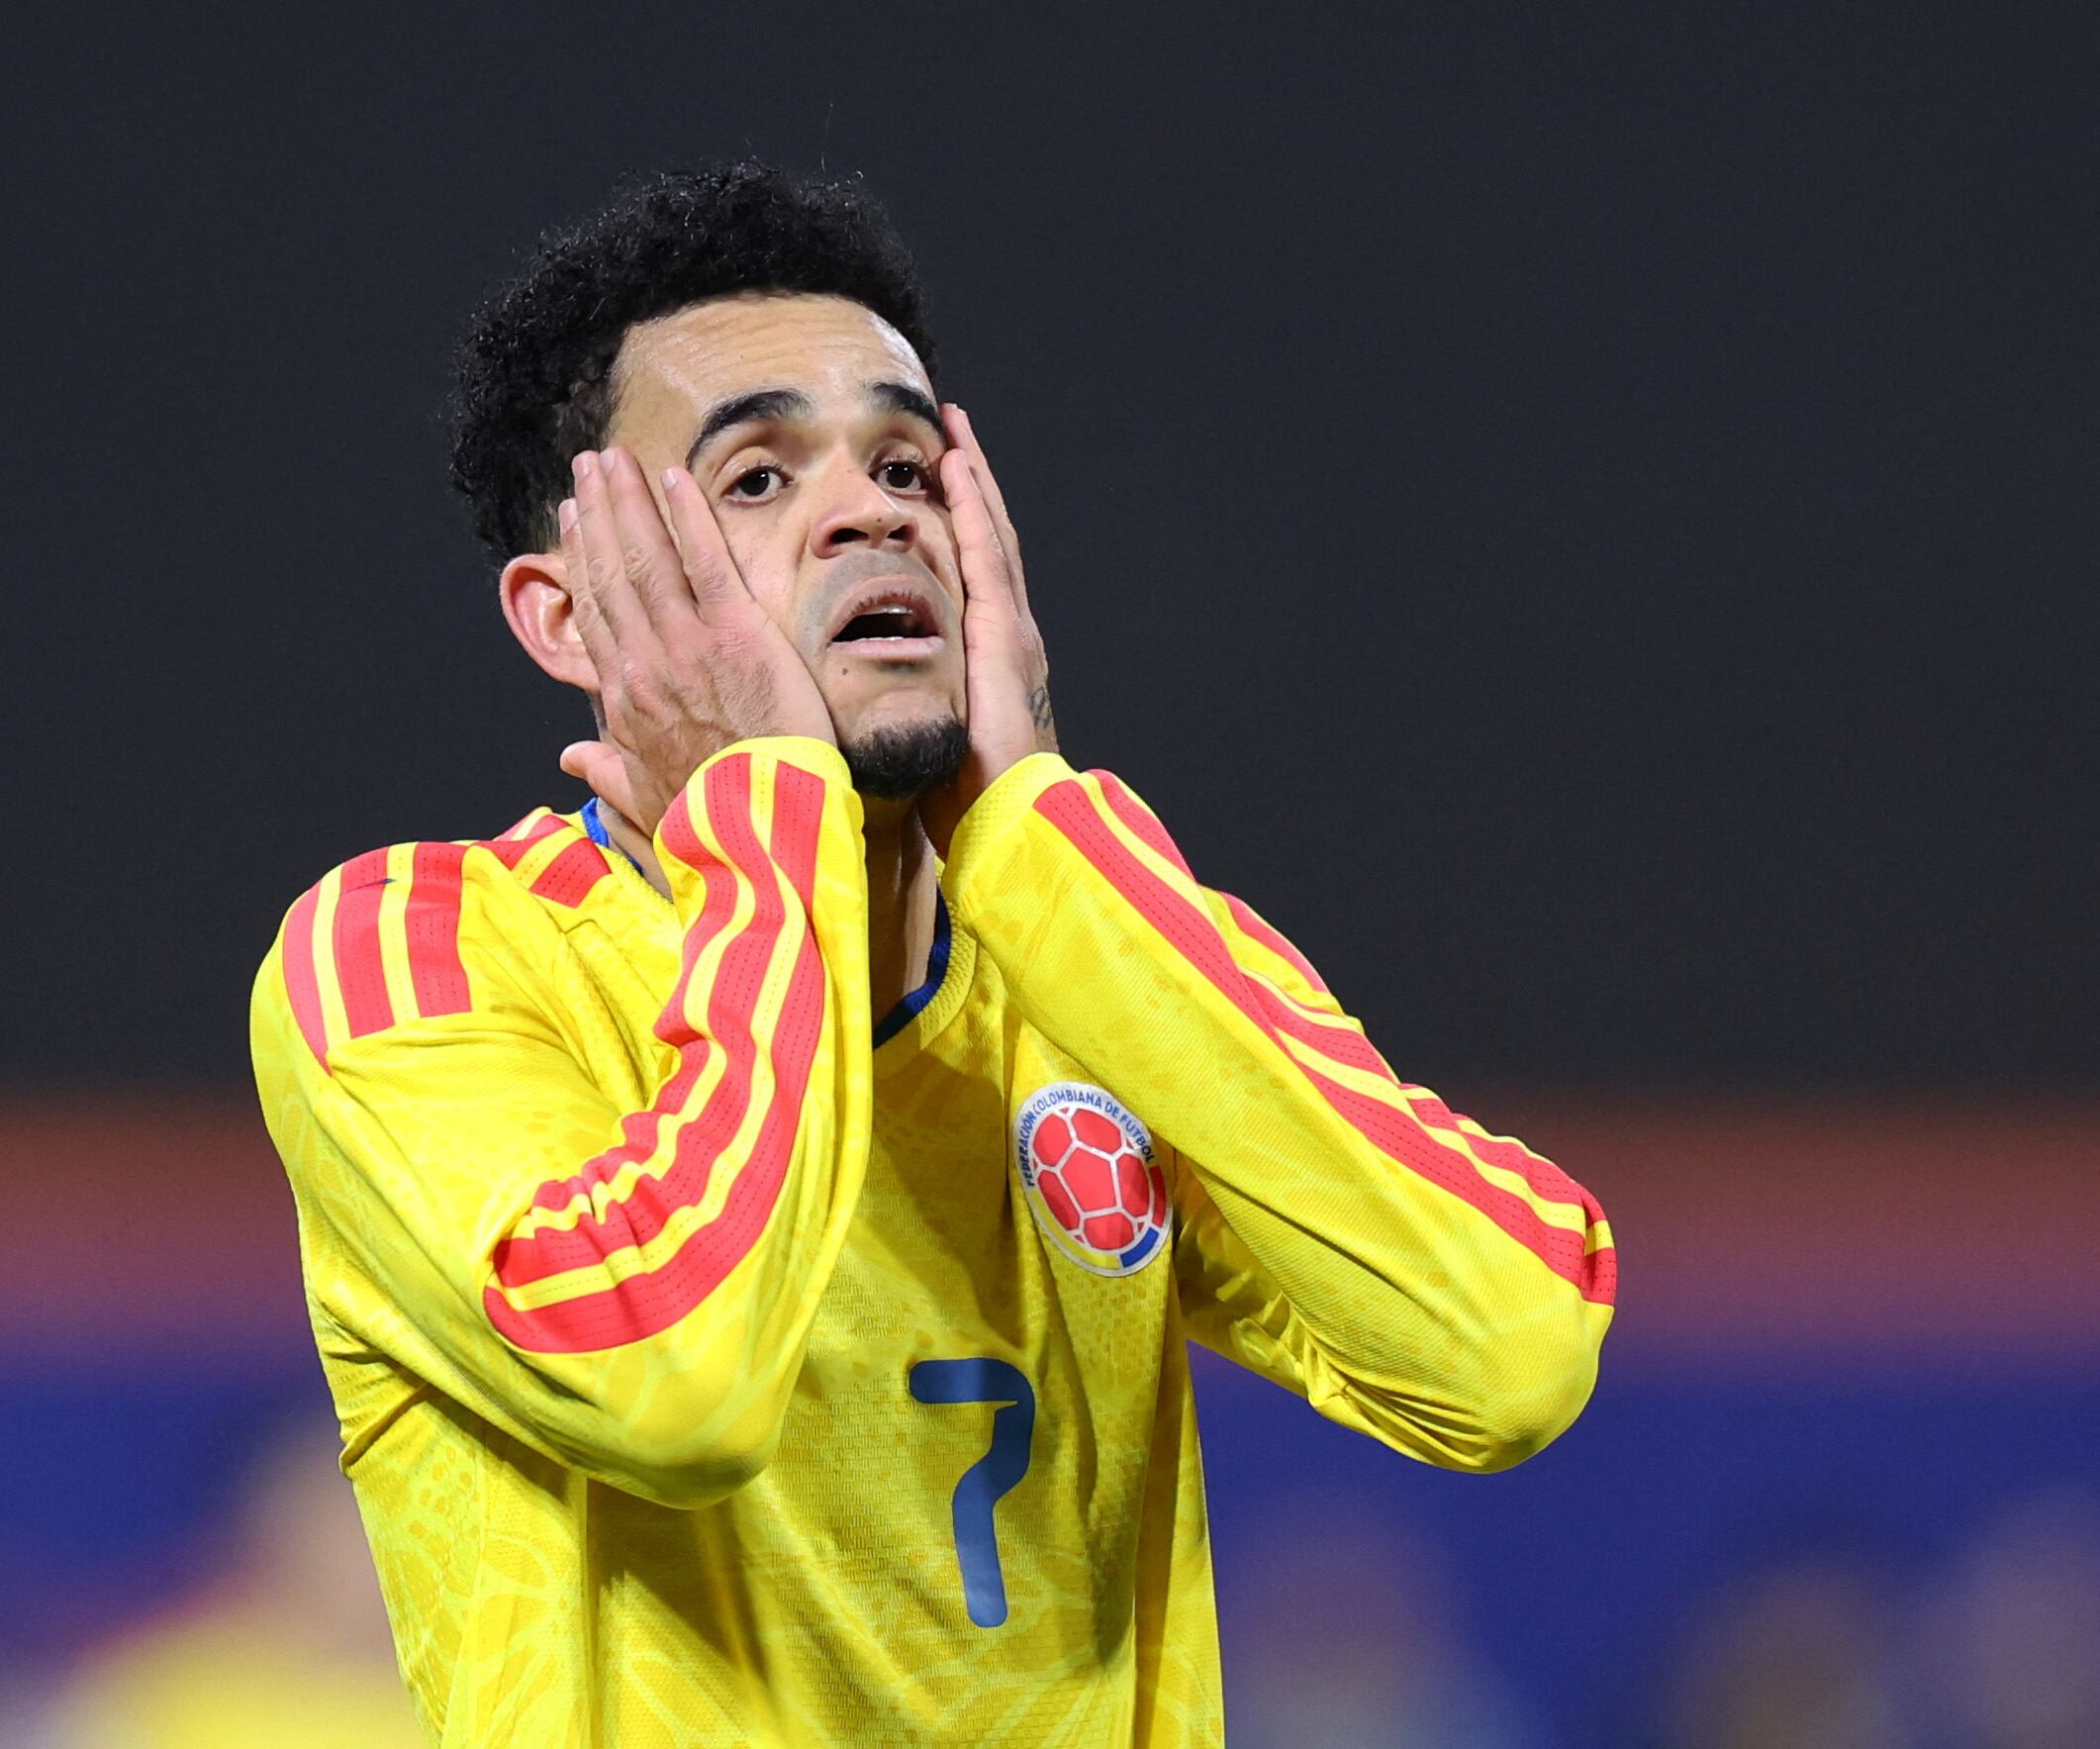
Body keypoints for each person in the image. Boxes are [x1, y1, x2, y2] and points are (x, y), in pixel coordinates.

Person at [248, 161, 1615, 1746]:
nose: (869, 510)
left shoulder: (1086, 954)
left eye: (907, 463)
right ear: (570, 622)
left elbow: (1506, 1348)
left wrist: (1033, 828)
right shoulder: (416, 952)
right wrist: (764, 815)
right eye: (756, 477)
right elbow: (665, 1377)